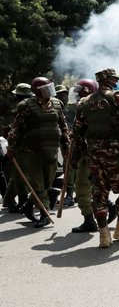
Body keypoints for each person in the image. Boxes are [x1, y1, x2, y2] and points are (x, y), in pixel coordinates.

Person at [72, 68, 119, 248]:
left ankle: (104, 235)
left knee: (99, 193)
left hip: (95, 156)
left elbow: (77, 132)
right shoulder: (117, 97)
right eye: (115, 79)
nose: (116, 82)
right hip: (115, 154)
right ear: (109, 80)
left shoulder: (84, 102)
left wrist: (77, 154)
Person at [6, 77, 70, 228]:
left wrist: (67, 146)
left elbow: (63, 126)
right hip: (32, 152)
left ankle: (29, 204)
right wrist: (11, 147)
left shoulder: (57, 104)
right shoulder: (26, 106)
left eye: (50, 87)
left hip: (51, 151)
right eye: (45, 88)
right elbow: (16, 129)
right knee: (38, 185)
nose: (49, 91)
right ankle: (44, 214)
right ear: (36, 92)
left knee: (47, 183)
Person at [68, 79, 117, 233]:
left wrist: (74, 158)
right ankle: (110, 207)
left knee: (82, 188)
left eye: (79, 92)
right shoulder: (105, 105)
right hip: (106, 154)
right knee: (97, 187)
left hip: (89, 155)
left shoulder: (84, 107)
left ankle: (89, 221)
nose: (77, 95)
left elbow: (78, 135)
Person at [1, 83, 34, 213]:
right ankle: (12, 200)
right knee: (17, 173)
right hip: (28, 145)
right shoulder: (35, 104)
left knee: (18, 174)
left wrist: (11, 146)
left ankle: (21, 201)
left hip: (23, 146)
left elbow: (18, 129)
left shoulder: (23, 106)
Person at [55, 84, 76, 208]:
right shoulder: (56, 107)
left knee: (73, 168)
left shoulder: (73, 108)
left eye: (63, 94)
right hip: (64, 141)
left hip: (75, 141)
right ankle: (69, 195)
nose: (61, 96)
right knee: (67, 168)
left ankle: (71, 195)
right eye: (59, 94)